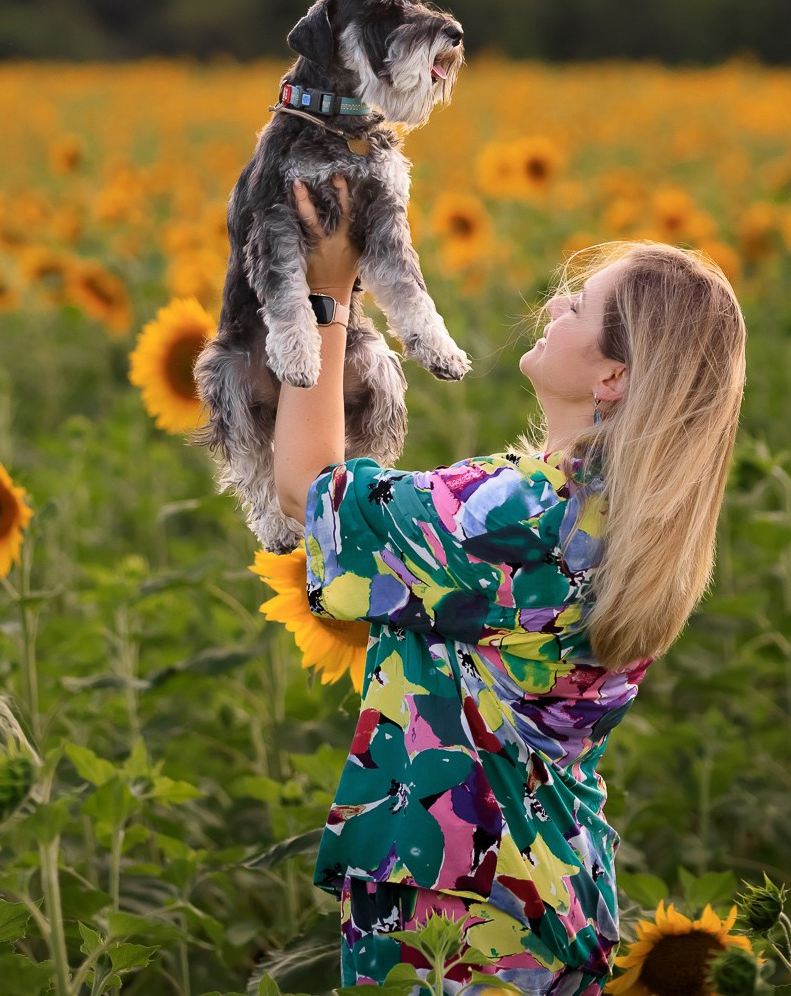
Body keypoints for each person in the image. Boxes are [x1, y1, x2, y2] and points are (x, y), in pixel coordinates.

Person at [273, 176, 748, 996]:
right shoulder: (617, 517)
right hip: (552, 891)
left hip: (455, 912)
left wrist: (322, 294)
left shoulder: (520, 515)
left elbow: (310, 490)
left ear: (613, 377)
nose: (556, 302)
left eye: (580, 304)